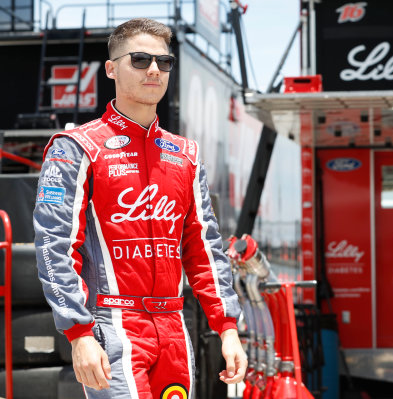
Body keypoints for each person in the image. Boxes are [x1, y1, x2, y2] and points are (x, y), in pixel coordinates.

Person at [33, 18, 247, 398]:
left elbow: (205, 250)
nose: (154, 70)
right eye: (140, 59)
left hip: (173, 328)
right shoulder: (77, 147)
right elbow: (55, 248)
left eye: (164, 62)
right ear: (112, 68)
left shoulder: (186, 156)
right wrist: (79, 333)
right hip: (111, 324)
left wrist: (227, 327)